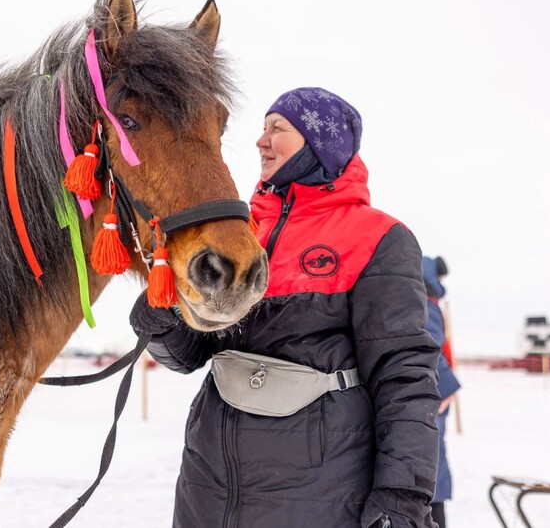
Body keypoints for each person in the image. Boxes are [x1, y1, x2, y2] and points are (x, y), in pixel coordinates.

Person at [131, 87, 441, 528]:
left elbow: (403, 374)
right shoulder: (243, 234)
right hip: (208, 488)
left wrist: (402, 494)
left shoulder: (378, 237)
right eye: (262, 128)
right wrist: (163, 320)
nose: (261, 140)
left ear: (320, 142)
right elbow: (192, 356)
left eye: (277, 128)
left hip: (318, 495)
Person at [422, 255, 461, 528]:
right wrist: (444, 388)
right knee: (431, 467)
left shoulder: (413, 299)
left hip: (428, 394)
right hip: (431, 395)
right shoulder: (426, 303)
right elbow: (429, 348)